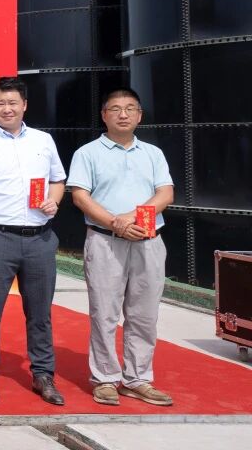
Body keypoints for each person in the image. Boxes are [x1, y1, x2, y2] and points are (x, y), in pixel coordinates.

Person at [0, 76, 67, 406]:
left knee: (40, 313)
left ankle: (43, 374)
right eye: (0, 103)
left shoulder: (44, 141)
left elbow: (58, 180)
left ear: (24, 105)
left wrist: (53, 201)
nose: (7, 109)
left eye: (12, 103)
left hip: (40, 238)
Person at [69, 87, 175, 407]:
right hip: (105, 241)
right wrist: (116, 222)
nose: (123, 114)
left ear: (140, 116)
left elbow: (165, 193)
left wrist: (131, 218)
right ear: (104, 115)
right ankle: (104, 378)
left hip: (148, 241)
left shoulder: (153, 153)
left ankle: (137, 378)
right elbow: (80, 196)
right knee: (104, 313)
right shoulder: (87, 153)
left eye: (130, 109)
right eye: (115, 109)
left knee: (144, 314)